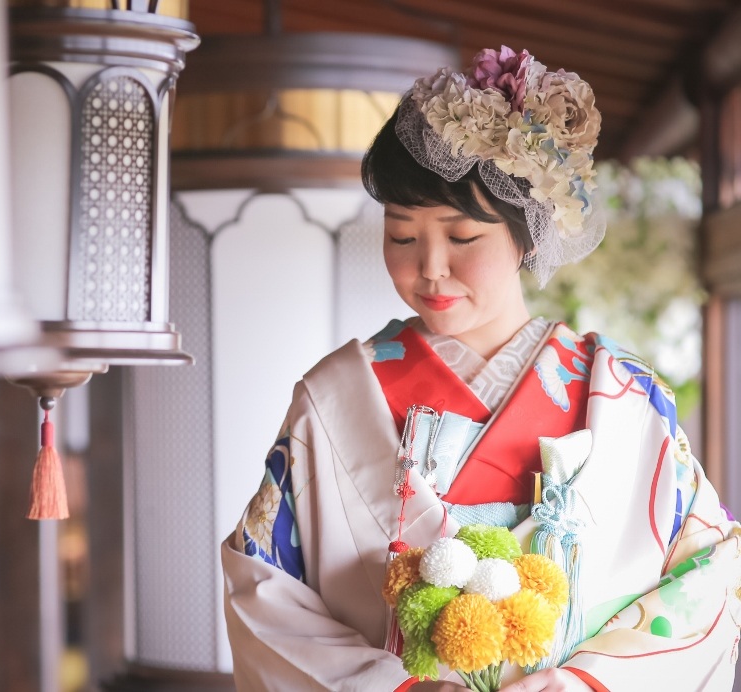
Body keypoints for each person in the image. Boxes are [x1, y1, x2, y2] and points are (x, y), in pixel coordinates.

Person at [220, 46, 741, 691]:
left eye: (462, 237)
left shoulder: (626, 400)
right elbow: (261, 585)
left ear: (526, 235)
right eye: (402, 236)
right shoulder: (334, 398)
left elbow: (710, 573)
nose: (430, 268)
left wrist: (583, 685)